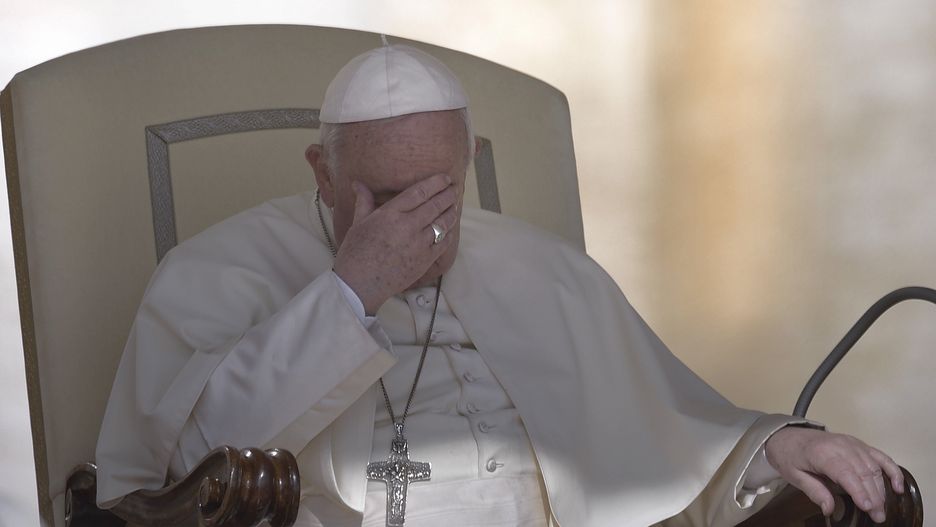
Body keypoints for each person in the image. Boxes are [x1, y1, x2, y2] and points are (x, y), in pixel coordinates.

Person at [95, 42, 904, 527]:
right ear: (323, 171)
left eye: (441, 193)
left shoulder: (543, 268)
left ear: (469, 160)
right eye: (382, 199)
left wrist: (780, 444)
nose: (422, 230)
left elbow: (671, 442)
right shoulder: (216, 269)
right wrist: (350, 289)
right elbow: (191, 470)